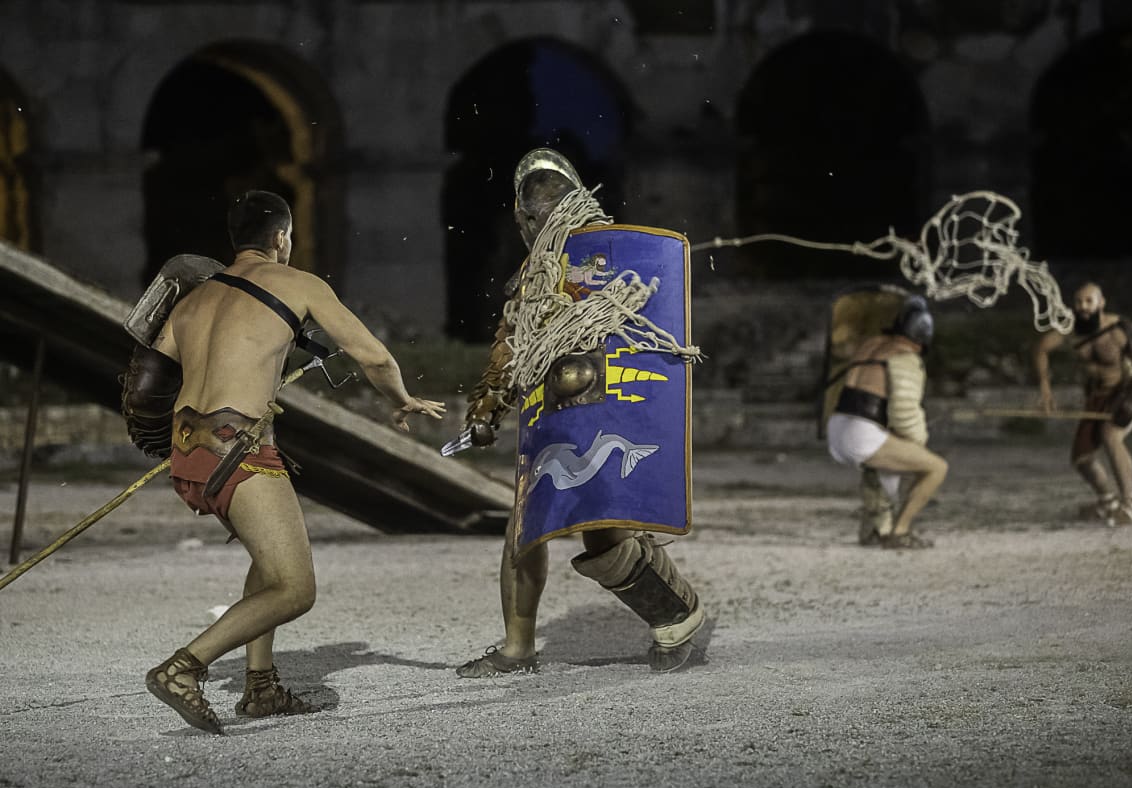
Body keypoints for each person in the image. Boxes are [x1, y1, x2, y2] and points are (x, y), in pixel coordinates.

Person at [121, 190, 445, 734]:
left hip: (188, 452)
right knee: (295, 589)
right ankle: (183, 668)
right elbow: (375, 358)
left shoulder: (195, 298)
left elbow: (147, 386)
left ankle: (261, 687)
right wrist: (402, 400)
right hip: (239, 452)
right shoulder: (300, 284)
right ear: (280, 238)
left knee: (267, 561)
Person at [454, 149, 705, 677]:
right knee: (525, 527)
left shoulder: (617, 254)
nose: (542, 220)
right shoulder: (533, 277)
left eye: (550, 207)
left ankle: (677, 613)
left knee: (603, 535)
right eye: (535, 212)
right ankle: (518, 648)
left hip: (608, 401)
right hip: (556, 411)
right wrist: (488, 406)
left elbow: (644, 326)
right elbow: (512, 346)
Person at [826, 295, 946, 549]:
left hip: (837, 425)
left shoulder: (871, 344)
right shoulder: (905, 357)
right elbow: (904, 412)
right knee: (936, 468)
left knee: (885, 461)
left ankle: (875, 529)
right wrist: (918, 443)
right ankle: (899, 532)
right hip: (861, 433)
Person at [1033, 282, 1132, 525]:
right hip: (1096, 397)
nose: (1083, 307)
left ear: (1101, 303)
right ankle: (1108, 502)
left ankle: (1130, 505)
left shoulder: (1119, 329)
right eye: (1079, 302)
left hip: (1124, 394)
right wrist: (1045, 389)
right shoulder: (1070, 330)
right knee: (1082, 458)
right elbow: (1040, 349)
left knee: (1111, 436)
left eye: (1089, 301)